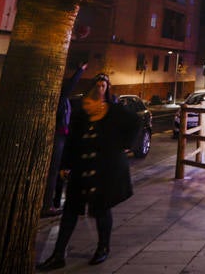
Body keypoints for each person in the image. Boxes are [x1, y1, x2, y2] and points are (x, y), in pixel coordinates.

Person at [37, 78, 138, 270]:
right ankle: (58, 254)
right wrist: (65, 165)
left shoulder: (114, 110)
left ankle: (103, 248)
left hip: (104, 171)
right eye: (97, 85)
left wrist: (125, 145)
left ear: (107, 89)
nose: (100, 88)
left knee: (101, 210)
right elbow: (71, 139)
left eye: (103, 86)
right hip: (80, 169)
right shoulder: (82, 111)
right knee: (70, 213)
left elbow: (135, 123)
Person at [42, 61, 88, 217]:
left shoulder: (62, 98)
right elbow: (69, 87)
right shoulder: (58, 96)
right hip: (57, 135)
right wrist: (79, 70)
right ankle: (48, 205)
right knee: (53, 172)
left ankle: (54, 202)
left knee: (58, 172)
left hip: (62, 136)